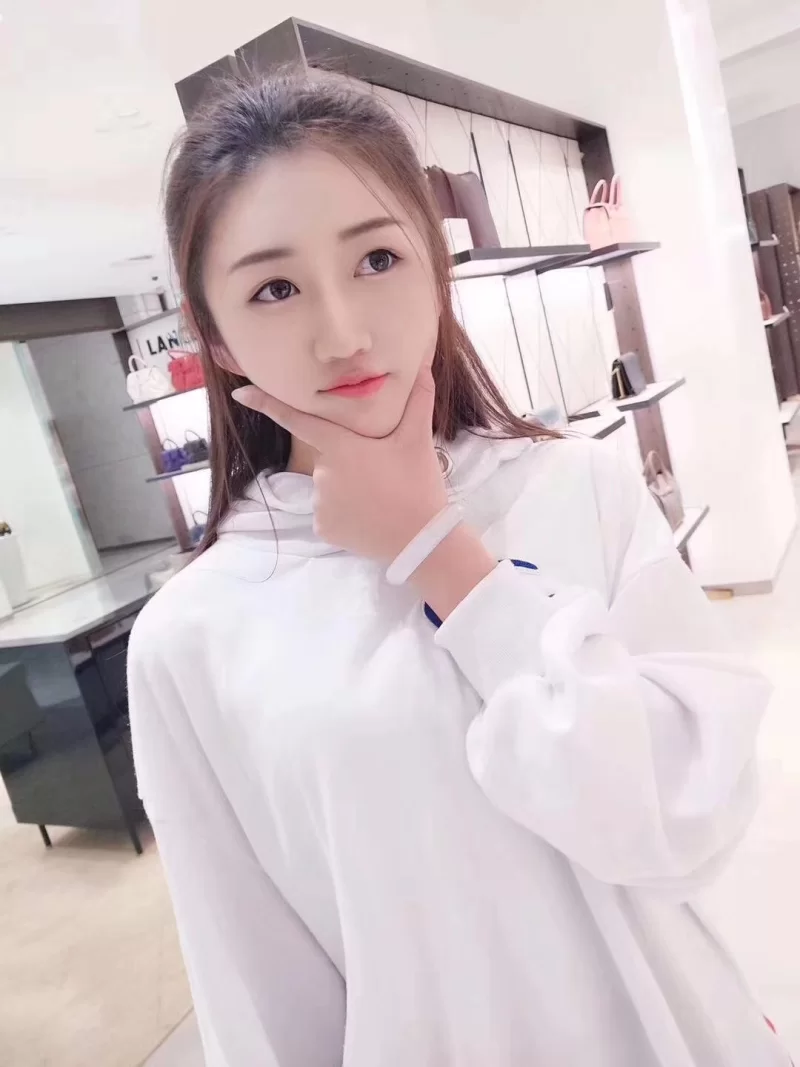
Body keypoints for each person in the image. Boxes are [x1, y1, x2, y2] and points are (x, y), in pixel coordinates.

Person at [127, 70, 787, 1067]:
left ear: (436, 267)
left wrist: (440, 552)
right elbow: (253, 989)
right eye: (274, 288)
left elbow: (684, 820)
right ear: (213, 336)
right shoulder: (190, 637)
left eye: (377, 258)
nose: (343, 332)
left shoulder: (576, 486)